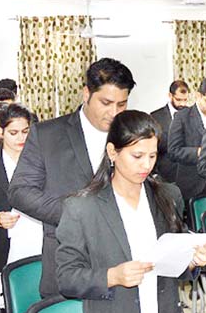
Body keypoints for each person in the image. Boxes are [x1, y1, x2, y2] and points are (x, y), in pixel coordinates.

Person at [55, 110, 206, 313]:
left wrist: (193, 260)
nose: (146, 165)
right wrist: (112, 276)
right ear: (113, 152)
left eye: (152, 156)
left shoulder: (167, 196)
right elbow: (66, 277)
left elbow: (172, 261)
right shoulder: (82, 208)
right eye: (137, 156)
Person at [9, 57, 133, 298]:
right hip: (67, 264)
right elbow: (20, 191)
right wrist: (76, 215)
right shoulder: (47, 134)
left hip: (121, 269)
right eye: (106, 102)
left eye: (122, 104)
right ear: (86, 93)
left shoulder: (129, 134)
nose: (114, 113)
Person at [0, 104, 38, 310]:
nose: (20, 138)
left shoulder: (40, 160)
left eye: (25, 131)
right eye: (13, 133)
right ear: (0, 131)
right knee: (8, 308)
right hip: (3, 246)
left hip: (39, 242)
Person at [168, 77, 206, 205]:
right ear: (198, 95)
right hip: (193, 186)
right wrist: (200, 152)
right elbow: (173, 151)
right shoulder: (182, 117)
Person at [149, 80, 189, 183]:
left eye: (185, 100)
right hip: (164, 176)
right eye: (179, 100)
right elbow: (151, 147)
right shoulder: (155, 117)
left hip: (188, 177)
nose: (182, 104)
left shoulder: (191, 114)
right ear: (170, 95)